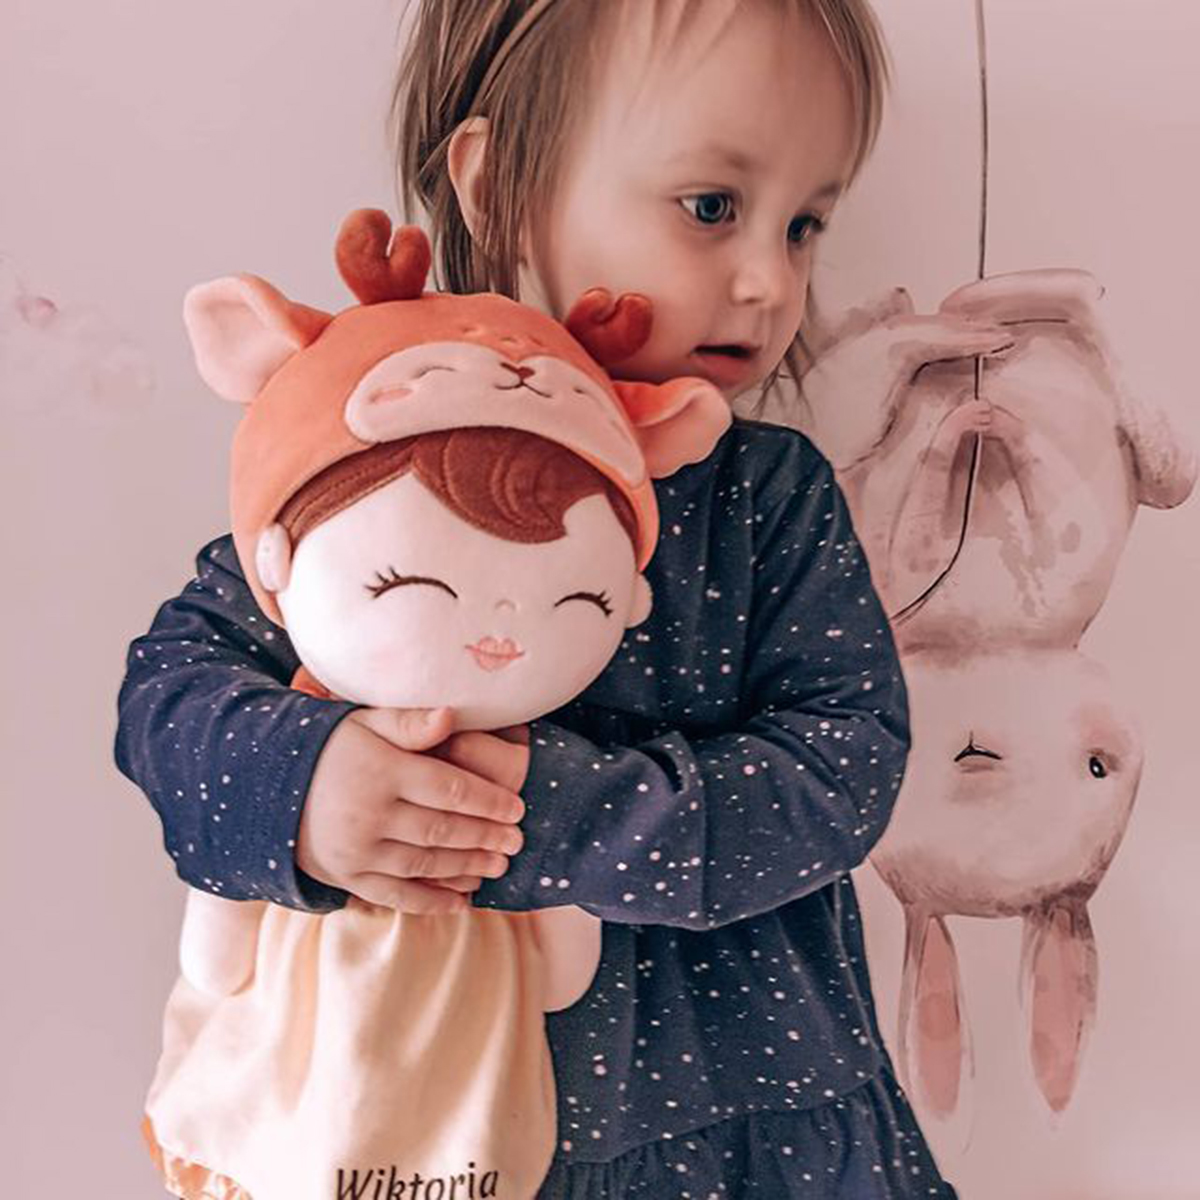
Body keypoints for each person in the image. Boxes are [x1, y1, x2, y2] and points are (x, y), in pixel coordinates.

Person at [118, 0, 1006, 1193]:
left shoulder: (765, 496)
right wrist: (308, 789)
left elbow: (844, 768)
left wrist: (550, 816)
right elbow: (169, 692)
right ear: (494, 188)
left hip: (751, 1107)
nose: (768, 280)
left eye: (805, 224)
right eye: (712, 207)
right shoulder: (371, 431)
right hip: (426, 1121)